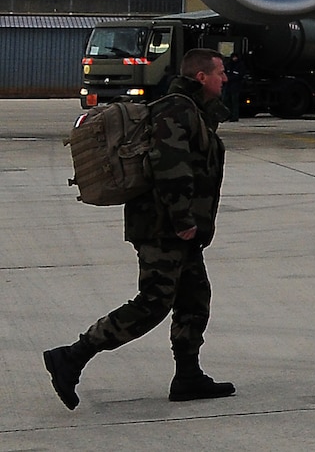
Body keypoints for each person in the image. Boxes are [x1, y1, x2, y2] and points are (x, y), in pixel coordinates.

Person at [44, 49, 234, 409]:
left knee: (194, 299)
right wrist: (183, 220)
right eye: (220, 72)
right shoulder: (176, 110)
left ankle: (188, 375)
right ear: (201, 77)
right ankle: (72, 356)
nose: (225, 79)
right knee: (153, 302)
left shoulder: (194, 111)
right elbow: (169, 165)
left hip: (176, 226)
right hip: (164, 227)